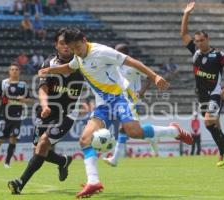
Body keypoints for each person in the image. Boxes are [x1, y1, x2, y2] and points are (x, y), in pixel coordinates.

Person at [39, 28, 193, 198]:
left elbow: (132, 62)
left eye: (77, 47)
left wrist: (155, 76)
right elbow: (70, 67)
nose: (76, 51)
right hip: (103, 104)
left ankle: (174, 131)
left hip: (120, 97)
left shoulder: (101, 52)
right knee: (84, 140)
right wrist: (51, 71)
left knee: (134, 132)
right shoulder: (78, 56)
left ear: (84, 40)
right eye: (72, 48)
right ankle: (93, 182)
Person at [8, 28, 85, 195]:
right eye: (62, 43)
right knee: (39, 149)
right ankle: (63, 161)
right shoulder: (48, 64)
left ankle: (20, 183)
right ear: (56, 45)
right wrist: (45, 106)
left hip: (67, 114)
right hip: (47, 111)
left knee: (43, 144)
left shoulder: (82, 63)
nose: (66, 47)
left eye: (68, 43)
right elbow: (42, 89)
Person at [180, 1, 224, 168]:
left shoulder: (219, 54)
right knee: (215, 125)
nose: (198, 43)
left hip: (215, 94)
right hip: (202, 95)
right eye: (197, 41)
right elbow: (183, 33)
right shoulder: (195, 52)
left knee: (208, 123)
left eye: (201, 40)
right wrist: (186, 13)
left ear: (207, 39)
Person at [0, 63, 31, 168]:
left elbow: (29, 99)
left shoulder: (23, 85)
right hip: (4, 114)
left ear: (19, 71)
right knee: (1, 138)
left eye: (16, 69)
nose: (14, 71)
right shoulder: (4, 83)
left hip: (16, 115)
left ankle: (7, 162)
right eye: (12, 69)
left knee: (13, 137)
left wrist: (24, 99)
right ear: (9, 71)